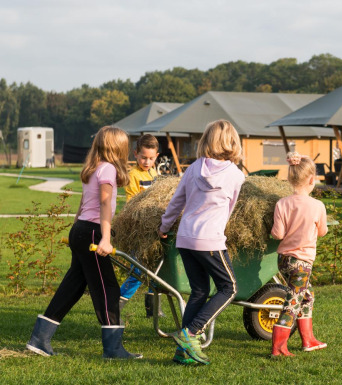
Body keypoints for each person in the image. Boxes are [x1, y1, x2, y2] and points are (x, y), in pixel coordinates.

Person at [26, 126, 142, 359]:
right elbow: (104, 205)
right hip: (92, 232)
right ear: (117, 147)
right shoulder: (108, 169)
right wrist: (106, 238)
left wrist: (75, 229)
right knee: (107, 288)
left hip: (81, 229)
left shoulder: (93, 168)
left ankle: (39, 339)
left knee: (73, 286)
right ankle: (113, 349)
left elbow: (82, 202)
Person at [158, 119, 245, 366]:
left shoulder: (194, 168)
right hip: (210, 240)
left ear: (206, 140)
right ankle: (191, 332)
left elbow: (177, 202)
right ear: (232, 143)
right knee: (229, 288)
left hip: (185, 239)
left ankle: (182, 353)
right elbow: (229, 210)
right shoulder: (236, 175)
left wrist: (164, 227)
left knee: (199, 291)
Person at [270, 152, 328, 357]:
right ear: (312, 180)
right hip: (302, 263)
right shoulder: (317, 206)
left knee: (307, 296)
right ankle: (278, 346)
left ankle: (308, 339)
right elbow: (322, 231)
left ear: (289, 178)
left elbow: (277, 234)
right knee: (292, 301)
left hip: (284, 261)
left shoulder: (281, 204)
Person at [119, 134, 162, 319]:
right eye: (143, 157)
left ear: (156, 156)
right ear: (136, 154)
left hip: (155, 229)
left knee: (157, 269)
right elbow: (133, 204)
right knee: (138, 270)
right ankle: (117, 305)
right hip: (139, 229)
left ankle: (153, 308)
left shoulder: (155, 174)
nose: (147, 161)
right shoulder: (133, 175)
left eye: (151, 158)